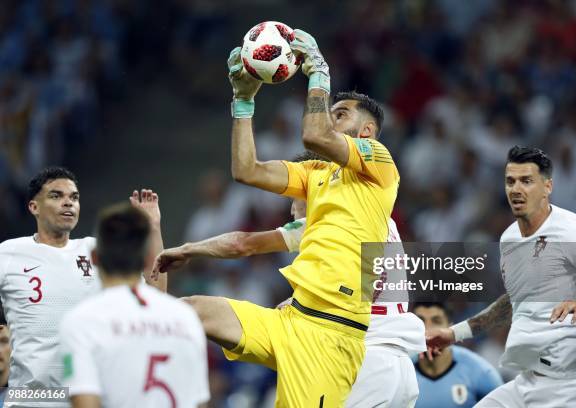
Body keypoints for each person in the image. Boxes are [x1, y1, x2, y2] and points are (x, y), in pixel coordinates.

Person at [183, 28, 400, 406]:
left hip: (332, 333)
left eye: (341, 114)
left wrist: (319, 73)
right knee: (188, 312)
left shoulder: (379, 163)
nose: (331, 119)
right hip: (291, 318)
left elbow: (314, 134)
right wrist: (243, 102)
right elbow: (246, 170)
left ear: (367, 133)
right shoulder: (317, 172)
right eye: (331, 112)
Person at [155, 164, 425, 407]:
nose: (291, 210)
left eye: (295, 199)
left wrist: (188, 250)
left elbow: (242, 243)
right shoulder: (374, 220)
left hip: (362, 361)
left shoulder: (335, 223)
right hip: (397, 366)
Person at [426, 146, 576, 407]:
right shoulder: (509, 238)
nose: (516, 189)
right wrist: (453, 333)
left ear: (547, 187)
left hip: (574, 388)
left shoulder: (571, 230)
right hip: (526, 383)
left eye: (527, 181)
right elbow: (514, 301)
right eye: (510, 181)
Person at [0, 167, 166, 407]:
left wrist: (153, 227)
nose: (68, 203)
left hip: (89, 399)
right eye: (56, 196)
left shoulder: (96, 252)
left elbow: (156, 297)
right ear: (33, 207)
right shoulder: (9, 254)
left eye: (74, 197)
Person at [59, 203, 209, 408]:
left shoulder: (83, 322)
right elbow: (199, 402)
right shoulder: (185, 318)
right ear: (149, 257)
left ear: (94, 257)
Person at [411, 302, 502, 407]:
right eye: (420, 321)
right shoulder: (399, 371)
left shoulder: (480, 371)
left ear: (450, 327)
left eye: (436, 321)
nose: (427, 328)